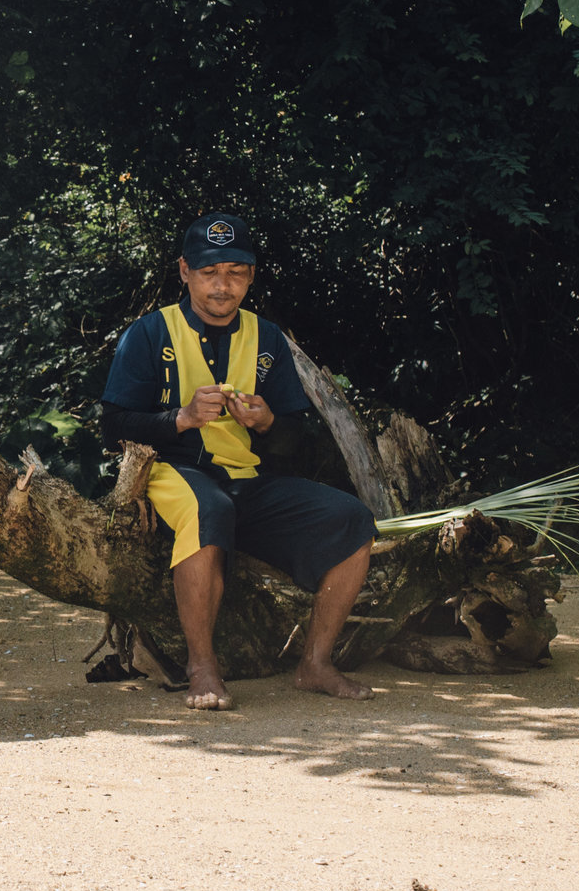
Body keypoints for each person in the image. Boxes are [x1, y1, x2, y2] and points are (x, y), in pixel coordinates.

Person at [99, 214, 382, 710]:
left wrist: (269, 422)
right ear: (185, 271)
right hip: (173, 474)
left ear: (251, 275)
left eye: (235, 271)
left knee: (352, 518)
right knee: (210, 510)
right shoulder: (148, 333)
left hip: (248, 481)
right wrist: (180, 420)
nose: (222, 285)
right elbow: (114, 423)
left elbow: (298, 440)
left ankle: (315, 663)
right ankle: (202, 666)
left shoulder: (266, 337)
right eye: (210, 272)